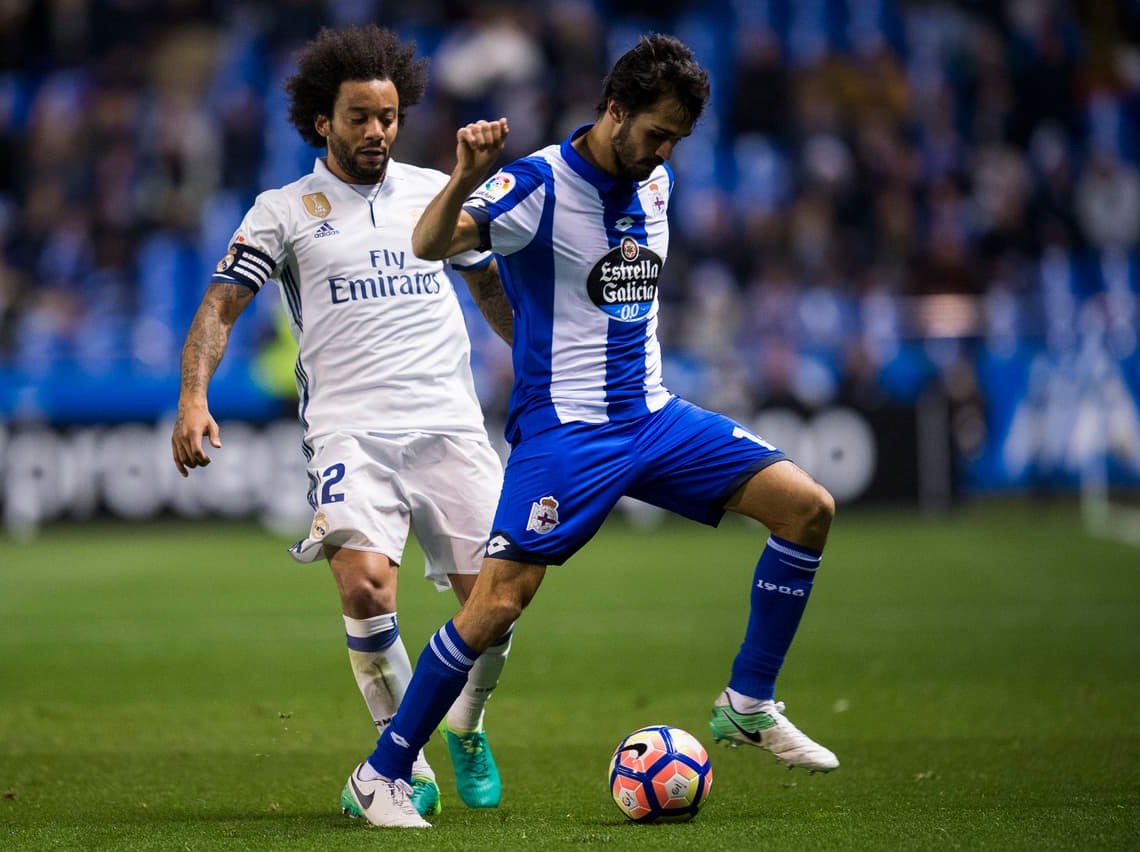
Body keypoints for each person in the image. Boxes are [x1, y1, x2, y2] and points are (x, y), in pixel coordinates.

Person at [343, 33, 839, 829]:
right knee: (499, 604)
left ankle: (747, 701)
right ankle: (383, 772)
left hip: (652, 414)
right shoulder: (535, 184)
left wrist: (660, 159)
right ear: (614, 111)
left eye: (676, 138)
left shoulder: (658, 183)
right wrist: (467, 177)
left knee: (807, 507)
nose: (664, 150)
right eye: (655, 133)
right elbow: (428, 245)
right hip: (567, 430)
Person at [170, 25, 517, 819]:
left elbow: (493, 291)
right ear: (321, 121)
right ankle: (403, 761)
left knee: (494, 604)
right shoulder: (283, 210)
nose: (377, 133)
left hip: (451, 426)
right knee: (364, 585)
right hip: (350, 430)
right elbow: (221, 304)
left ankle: (466, 721)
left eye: (388, 117)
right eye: (359, 117)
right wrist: (194, 397)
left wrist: (538, 364)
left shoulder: (439, 190)